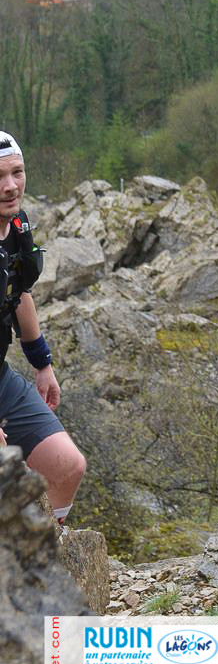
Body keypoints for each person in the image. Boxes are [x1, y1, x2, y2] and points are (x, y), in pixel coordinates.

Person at [0, 132, 86, 523]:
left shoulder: (17, 226)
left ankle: (39, 552)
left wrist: (42, 364)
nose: (10, 186)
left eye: (17, 172)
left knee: (67, 466)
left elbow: (19, 293)